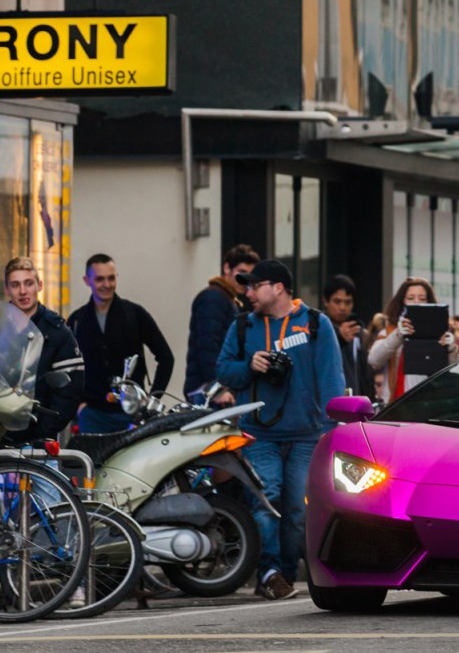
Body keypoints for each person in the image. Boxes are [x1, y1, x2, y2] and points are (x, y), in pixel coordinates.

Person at [216, 259, 345, 601]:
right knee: (265, 500)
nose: (247, 293)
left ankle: (285, 572)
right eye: (246, 287)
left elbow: (332, 381)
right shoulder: (243, 327)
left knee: (299, 510)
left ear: (278, 288)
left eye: (254, 286)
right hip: (259, 435)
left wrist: (331, 432)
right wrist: (249, 366)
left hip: (307, 434)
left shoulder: (316, 324)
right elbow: (224, 371)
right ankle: (269, 572)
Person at [67, 254, 174, 434]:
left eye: (111, 278)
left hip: (132, 414)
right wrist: (78, 406)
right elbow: (66, 368)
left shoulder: (135, 314)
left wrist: (151, 400)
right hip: (92, 415)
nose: (107, 285)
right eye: (100, 279)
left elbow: (166, 358)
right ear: (87, 281)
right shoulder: (77, 320)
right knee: (94, 463)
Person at [2, 257, 85, 444]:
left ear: (39, 285)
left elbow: (70, 390)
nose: (23, 291)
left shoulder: (57, 331)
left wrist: (43, 433)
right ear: (7, 289)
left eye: (28, 283)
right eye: (15, 285)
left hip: (39, 440)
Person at [184, 244, 260, 405]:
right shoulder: (213, 298)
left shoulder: (228, 300)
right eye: (241, 272)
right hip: (207, 390)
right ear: (227, 268)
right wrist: (216, 387)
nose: (244, 280)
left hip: (214, 387)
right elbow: (207, 346)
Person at [368, 277, 459, 403]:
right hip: (392, 406)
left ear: (429, 302)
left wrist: (451, 349)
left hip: (426, 404)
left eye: (422, 298)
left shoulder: (441, 333)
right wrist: (398, 335)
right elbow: (373, 361)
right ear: (402, 302)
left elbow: (454, 372)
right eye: (410, 298)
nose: (416, 302)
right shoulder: (389, 332)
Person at [321, 274, 373, 399]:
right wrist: (340, 339)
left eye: (347, 302)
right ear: (325, 301)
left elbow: (366, 375)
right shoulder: (318, 327)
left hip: (358, 401)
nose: (342, 307)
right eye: (337, 301)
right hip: (331, 402)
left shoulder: (359, 332)